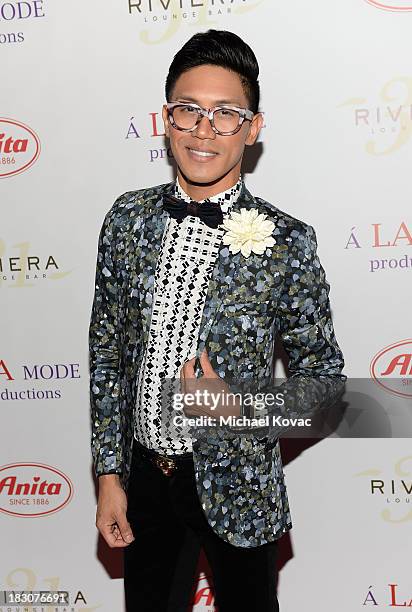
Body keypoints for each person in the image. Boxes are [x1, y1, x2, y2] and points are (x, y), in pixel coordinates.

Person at [88, 29, 346, 612]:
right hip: (145, 480)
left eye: (225, 114)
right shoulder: (126, 220)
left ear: (252, 129)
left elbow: (327, 387)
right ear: (166, 119)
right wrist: (109, 474)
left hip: (242, 488)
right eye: (189, 111)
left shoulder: (288, 241)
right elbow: (106, 356)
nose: (203, 130)